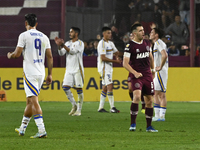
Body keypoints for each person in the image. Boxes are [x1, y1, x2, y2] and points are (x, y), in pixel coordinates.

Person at [7, 14, 53, 138]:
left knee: (34, 101)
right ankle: (22, 128)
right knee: (29, 101)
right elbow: (49, 56)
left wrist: (10, 55)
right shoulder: (44, 36)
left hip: (30, 73)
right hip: (41, 72)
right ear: (36, 24)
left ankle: (42, 130)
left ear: (26, 23)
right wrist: (50, 74)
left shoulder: (24, 35)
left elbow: (17, 54)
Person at [123, 23, 158, 132]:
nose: (143, 32)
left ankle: (149, 126)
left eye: (143, 30)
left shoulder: (147, 43)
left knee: (149, 101)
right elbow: (125, 63)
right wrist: (135, 73)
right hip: (137, 76)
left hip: (147, 75)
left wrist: (153, 70)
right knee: (137, 97)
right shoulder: (130, 46)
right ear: (134, 33)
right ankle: (133, 124)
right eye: (140, 31)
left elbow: (151, 57)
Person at [54, 27, 84, 116]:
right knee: (65, 87)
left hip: (78, 70)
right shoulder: (67, 43)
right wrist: (59, 45)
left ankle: (79, 110)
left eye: (71, 32)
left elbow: (73, 52)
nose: (69, 33)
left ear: (76, 33)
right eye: (69, 32)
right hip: (69, 70)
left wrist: (63, 45)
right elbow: (61, 53)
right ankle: (74, 105)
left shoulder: (80, 43)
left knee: (79, 90)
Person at [97, 27, 121, 113]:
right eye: (108, 33)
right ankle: (112, 107)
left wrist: (117, 56)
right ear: (103, 34)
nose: (110, 34)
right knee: (110, 85)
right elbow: (103, 58)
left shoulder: (110, 43)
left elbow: (116, 52)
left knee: (105, 88)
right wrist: (116, 61)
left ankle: (100, 108)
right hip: (104, 68)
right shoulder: (102, 44)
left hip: (109, 68)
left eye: (110, 33)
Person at [150, 27, 168, 121]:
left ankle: (160, 116)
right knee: (157, 93)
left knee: (159, 94)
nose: (150, 33)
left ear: (156, 35)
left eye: (152, 32)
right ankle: (159, 116)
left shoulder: (158, 43)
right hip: (159, 71)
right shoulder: (157, 43)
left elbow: (164, 55)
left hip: (161, 72)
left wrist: (160, 66)